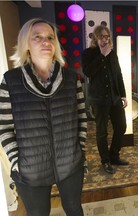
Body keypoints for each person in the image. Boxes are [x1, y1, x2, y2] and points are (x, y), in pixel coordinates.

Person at [0, 18, 87, 216]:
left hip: (70, 162)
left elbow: (82, 118)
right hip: (30, 168)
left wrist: (80, 151)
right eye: (37, 37)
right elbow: (4, 126)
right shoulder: (10, 81)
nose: (45, 42)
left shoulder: (72, 79)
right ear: (26, 44)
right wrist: (16, 161)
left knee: (74, 209)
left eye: (50, 37)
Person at [82, 25, 129, 175]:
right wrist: (101, 55)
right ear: (95, 38)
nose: (105, 39)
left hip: (114, 98)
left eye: (107, 36)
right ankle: (105, 160)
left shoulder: (112, 54)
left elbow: (118, 74)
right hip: (98, 99)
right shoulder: (88, 54)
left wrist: (123, 94)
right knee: (102, 132)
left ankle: (114, 155)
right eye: (101, 36)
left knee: (121, 126)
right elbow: (88, 72)